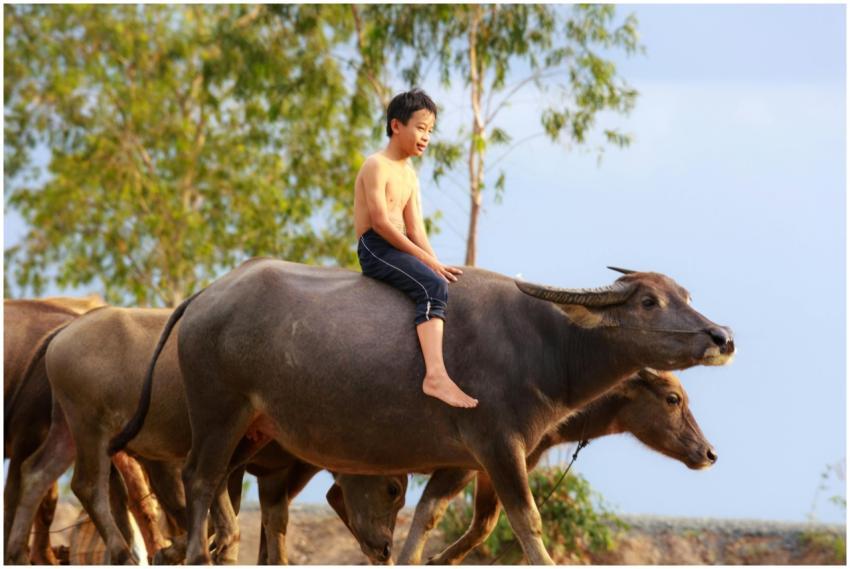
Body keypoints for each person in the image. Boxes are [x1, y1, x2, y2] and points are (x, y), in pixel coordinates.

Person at [354, 89, 478, 409]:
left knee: (445, 280)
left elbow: (416, 230)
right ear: (396, 126)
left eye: (430, 131)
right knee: (432, 285)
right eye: (420, 128)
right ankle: (435, 376)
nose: (426, 137)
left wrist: (437, 263)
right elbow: (381, 224)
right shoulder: (376, 166)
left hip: (401, 247)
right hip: (377, 247)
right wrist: (429, 267)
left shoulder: (409, 175)